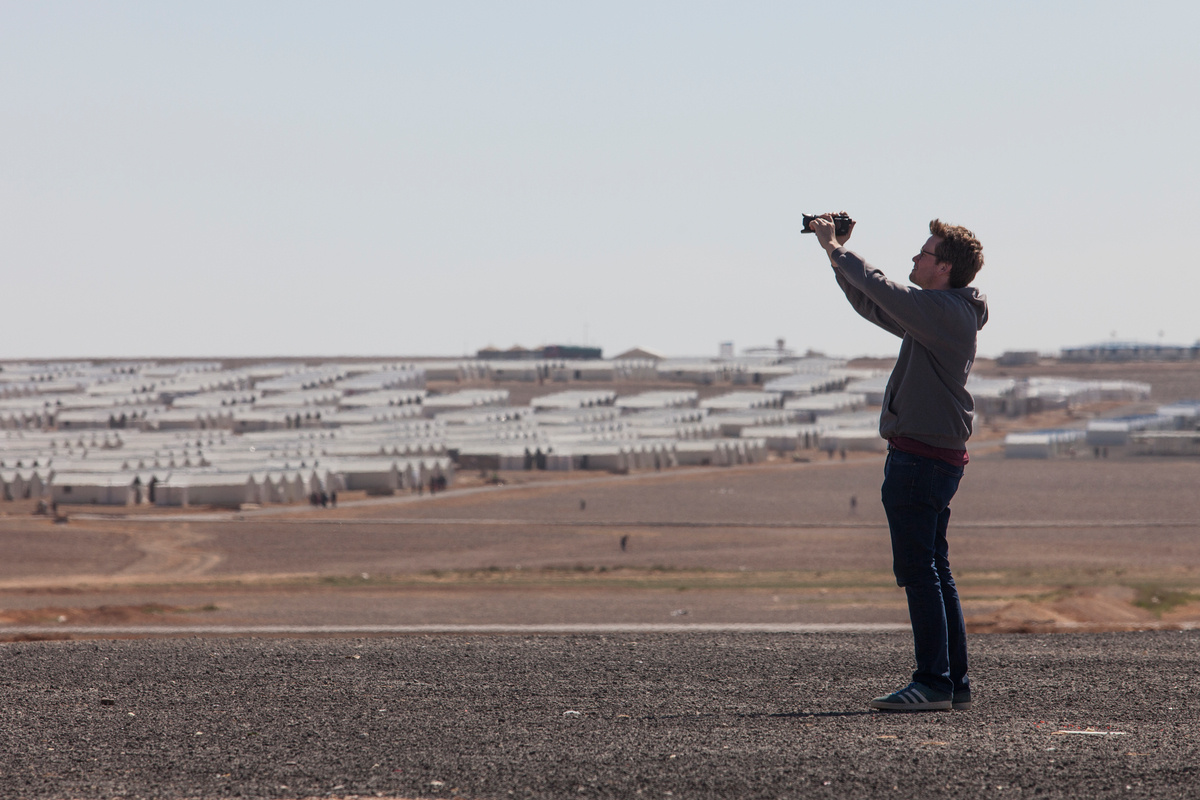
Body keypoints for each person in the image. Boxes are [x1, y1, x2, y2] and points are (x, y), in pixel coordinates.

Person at [808, 212, 987, 712]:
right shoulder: (940, 313)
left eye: (923, 253)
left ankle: (933, 682)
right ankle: (954, 682)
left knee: (919, 570)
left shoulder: (945, 312)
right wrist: (834, 254)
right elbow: (874, 303)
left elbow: (885, 289)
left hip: (921, 461)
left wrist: (839, 250)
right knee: (935, 567)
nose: (914, 257)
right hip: (931, 457)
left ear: (944, 266)